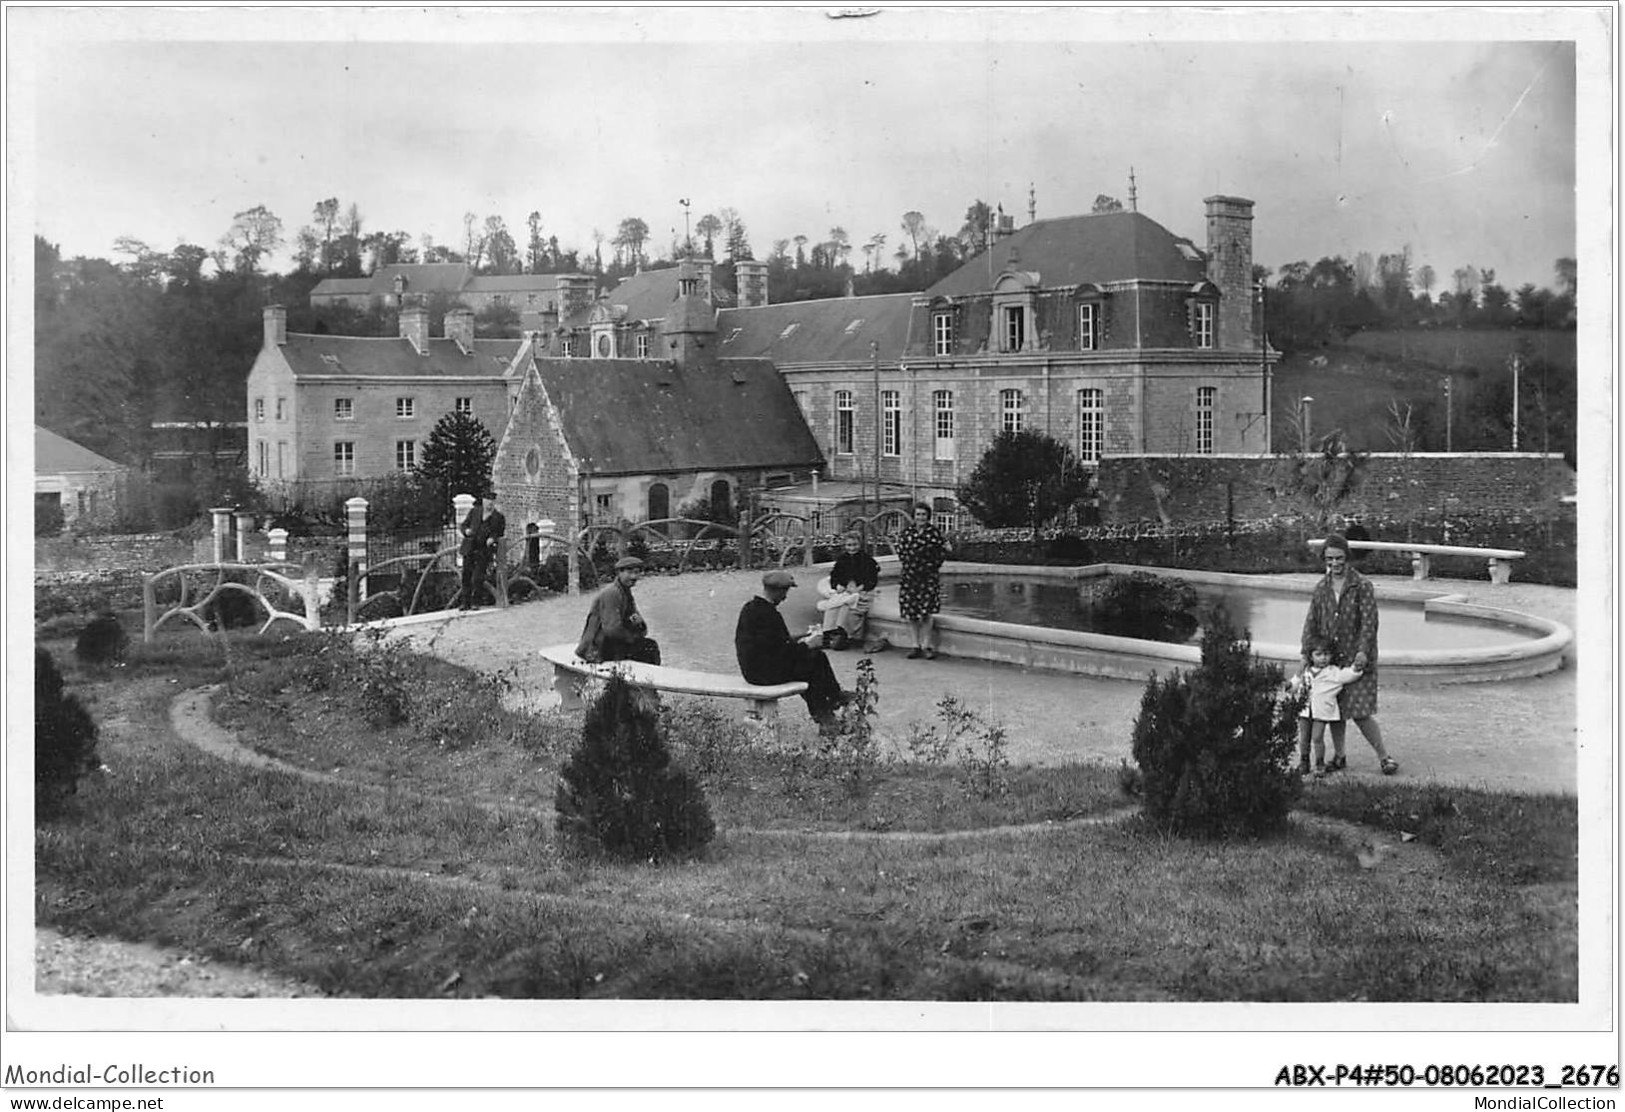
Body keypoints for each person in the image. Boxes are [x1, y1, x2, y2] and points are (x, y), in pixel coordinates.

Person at [1300, 533, 1398, 775]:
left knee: (1360, 711)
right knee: (1335, 711)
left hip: (1356, 659)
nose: (1335, 563)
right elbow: (1311, 622)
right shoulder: (1321, 588)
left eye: (1340, 558)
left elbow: (1369, 622)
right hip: (1330, 660)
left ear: (1348, 557)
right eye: (1330, 558)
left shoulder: (1361, 585)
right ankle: (1340, 756)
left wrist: (1363, 652)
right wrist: (1306, 652)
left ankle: (1384, 757)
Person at [735, 569, 852, 729]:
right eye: (784, 592)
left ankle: (827, 712)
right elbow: (783, 653)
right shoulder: (769, 615)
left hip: (753, 669)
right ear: (777, 591)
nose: (785, 597)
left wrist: (802, 636)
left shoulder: (751, 608)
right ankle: (830, 707)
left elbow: (774, 644)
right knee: (815, 660)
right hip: (764, 674)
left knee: (812, 662)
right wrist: (807, 644)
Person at [1290, 638, 1364, 778]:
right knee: (1304, 737)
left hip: (1322, 711)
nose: (1323, 658)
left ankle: (1319, 763)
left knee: (1317, 737)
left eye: (1326, 654)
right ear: (1311, 656)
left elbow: (1347, 675)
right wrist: (1291, 683)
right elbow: (1295, 684)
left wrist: (1356, 668)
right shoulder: (1306, 671)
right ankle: (1304, 761)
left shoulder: (1333, 672)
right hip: (1305, 710)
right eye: (1318, 654)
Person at [576, 556, 661, 664]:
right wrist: (633, 638)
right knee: (649, 647)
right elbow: (612, 629)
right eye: (629, 572)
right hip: (597, 647)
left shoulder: (625, 593)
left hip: (611, 642)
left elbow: (639, 624)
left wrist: (639, 625)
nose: (634, 576)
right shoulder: (612, 593)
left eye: (637, 573)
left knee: (648, 646)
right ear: (619, 573)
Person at [896, 502, 949, 660]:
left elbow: (940, 554)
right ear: (913, 516)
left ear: (928, 517)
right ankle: (915, 645)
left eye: (923, 515)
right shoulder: (906, 533)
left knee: (926, 613)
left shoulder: (934, 533)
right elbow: (902, 553)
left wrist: (928, 565)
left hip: (928, 577)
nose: (920, 518)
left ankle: (926, 645)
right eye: (918, 514)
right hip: (910, 577)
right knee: (911, 613)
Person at [818, 531, 880, 649]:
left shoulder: (867, 560)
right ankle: (828, 633)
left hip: (862, 591)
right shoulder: (842, 559)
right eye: (849, 545)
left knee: (847, 606)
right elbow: (835, 575)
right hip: (846, 590)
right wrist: (838, 585)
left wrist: (860, 588)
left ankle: (844, 634)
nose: (852, 548)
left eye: (855, 545)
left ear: (860, 544)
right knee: (832, 606)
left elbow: (872, 578)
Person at [458, 497, 506, 610]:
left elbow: (500, 532)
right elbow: (464, 525)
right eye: (488, 502)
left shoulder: (498, 517)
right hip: (470, 547)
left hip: (483, 550)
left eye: (492, 503)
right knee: (466, 576)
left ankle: (476, 602)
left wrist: (492, 538)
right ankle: (465, 603)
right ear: (483, 502)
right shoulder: (475, 511)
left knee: (477, 577)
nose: (490, 505)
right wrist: (466, 531)